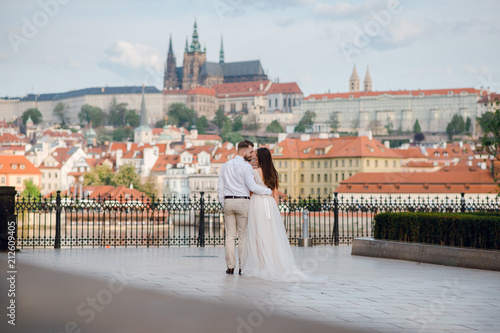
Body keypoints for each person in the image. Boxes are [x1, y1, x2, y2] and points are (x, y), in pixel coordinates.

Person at [242, 147, 317, 282]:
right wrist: (274, 210)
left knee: (257, 235)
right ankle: (272, 262)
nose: (254, 157)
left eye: (257, 156)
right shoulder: (274, 173)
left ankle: (260, 264)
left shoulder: (254, 172)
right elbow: (275, 193)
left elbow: (251, 191)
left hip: (258, 203)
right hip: (270, 204)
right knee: (270, 235)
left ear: (261, 158)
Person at [218, 140, 272, 275]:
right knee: (242, 235)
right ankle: (242, 266)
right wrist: (268, 191)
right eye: (249, 152)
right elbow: (252, 187)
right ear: (243, 152)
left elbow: (220, 187)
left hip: (228, 201)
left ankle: (230, 266)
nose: (251, 154)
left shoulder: (225, 165)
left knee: (230, 236)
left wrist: (223, 202)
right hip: (243, 202)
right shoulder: (246, 167)